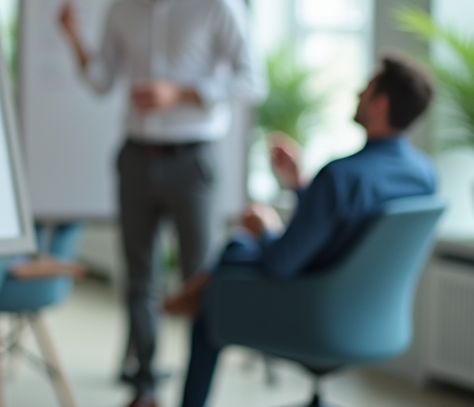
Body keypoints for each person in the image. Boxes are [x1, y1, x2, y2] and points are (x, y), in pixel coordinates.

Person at [58, 0, 263, 407]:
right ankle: (145, 383)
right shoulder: (122, 7)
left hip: (192, 160)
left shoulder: (218, 2)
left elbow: (251, 79)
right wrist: (74, 40)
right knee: (140, 278)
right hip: (135, 157)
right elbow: (101, 81)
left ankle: (196, 393)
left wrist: (182, 93)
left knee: (198, 279)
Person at [164, 54, 438, 407]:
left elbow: (281, 263)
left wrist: (264, 228)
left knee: (221, 284)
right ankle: (198, 289)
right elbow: (353, 230)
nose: (358, 94)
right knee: (234, 256)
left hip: (314, 311)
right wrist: (302, 185)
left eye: (366, 89)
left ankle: (197, 294)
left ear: (380, 103)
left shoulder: (341, 176)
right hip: (369, 317)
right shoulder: (425, 175)